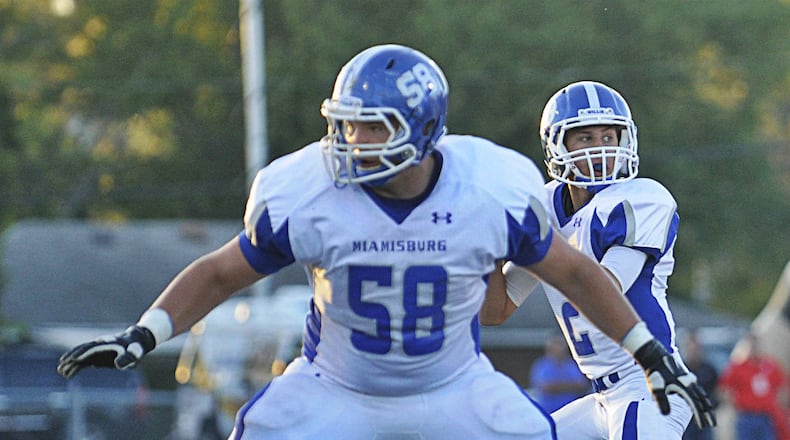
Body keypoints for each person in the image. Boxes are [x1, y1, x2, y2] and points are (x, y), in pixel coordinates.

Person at [57, 45, 711, 439]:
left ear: (422, 130)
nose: (355, 142)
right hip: (334, 382)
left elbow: (582, 277)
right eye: (350, 126)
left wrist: (652, 355)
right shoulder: (307, 186)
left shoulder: (497, 188)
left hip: (457, 384)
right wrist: (144, 332)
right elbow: (223, 271)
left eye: (374, 127)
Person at [480, 81, 717, 439]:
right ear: (557, 145)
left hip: (648, 384)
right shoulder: (544, 206)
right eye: (585, 138)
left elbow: (600, 290)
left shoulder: (640, 199)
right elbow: (494, 312)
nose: (600, 149)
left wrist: (534, 240)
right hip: (602, 395)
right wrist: (492, 244)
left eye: (608, 137)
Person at [718, 332, 789, 440]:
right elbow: (724, 388)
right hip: (747, 416)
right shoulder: (738, 367)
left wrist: (779, 406)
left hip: (766, 415)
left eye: (756, 346)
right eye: (751, 346)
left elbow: (782, 387)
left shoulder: (769, 365)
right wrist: (734, 404)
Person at [529, 333, 590, 413]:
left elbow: (582, 385)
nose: (558, 351)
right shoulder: (541, 365)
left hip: (570, 410)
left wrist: (557, 386)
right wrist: (569, 386)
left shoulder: (571, 365)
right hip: (548, 411)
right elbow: (545, 387)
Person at [681, 331, 719, 440]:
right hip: (686, 418)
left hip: (704, 417)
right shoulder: (681, 369)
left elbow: (717, 390)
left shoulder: (709, 369)